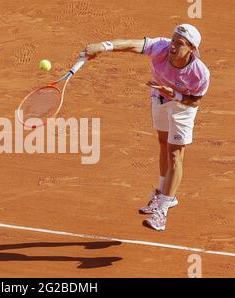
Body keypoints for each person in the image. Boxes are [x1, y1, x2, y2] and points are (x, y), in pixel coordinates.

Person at [84, 24, 210, 231]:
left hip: (182, 107)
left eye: (179, 44)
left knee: (175, 154)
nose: (172, 46)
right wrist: (103, 46)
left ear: (191, 49)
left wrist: (175, 95)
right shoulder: (160, 47)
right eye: (173, 40)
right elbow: (131, 45)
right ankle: (163, 193)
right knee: (163, 143)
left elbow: (195, 100)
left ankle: (163, 210)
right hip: (159, 98)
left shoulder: (200, 73)